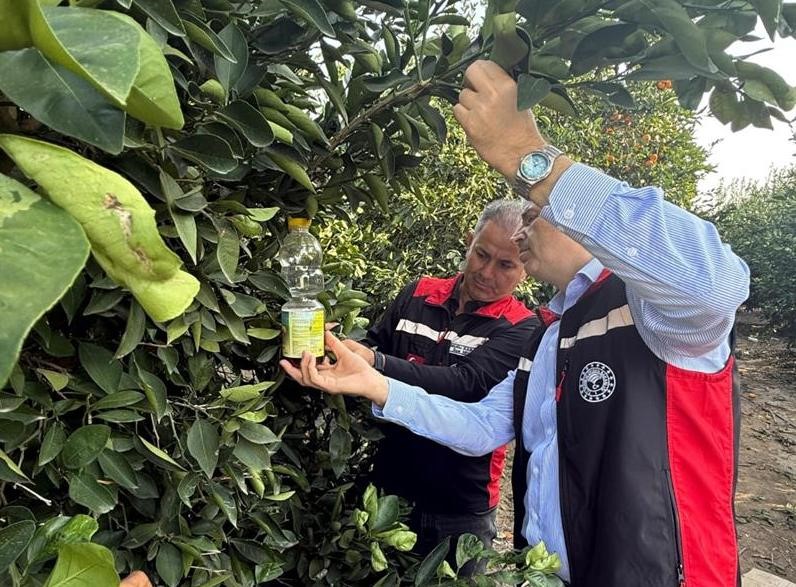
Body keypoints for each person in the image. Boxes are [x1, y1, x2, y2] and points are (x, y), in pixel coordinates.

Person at [281, 60, 749, 587]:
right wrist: (373, 384)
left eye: (533, 211)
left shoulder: (648, 311)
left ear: (578, 224)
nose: (521, 231)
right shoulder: (550, 335)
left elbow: (718, 285)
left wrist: (531, 158)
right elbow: (481, 427)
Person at [340, 199, 539, 573]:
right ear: (468, 241)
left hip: (460, 507)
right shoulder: (417, 294)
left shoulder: (522, 328)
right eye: (481, 254)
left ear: (525, 269)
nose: (486, 271)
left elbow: (466, 384)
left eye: (506, 265)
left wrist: (374, 366)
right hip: (388, 489)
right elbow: (374, 341)